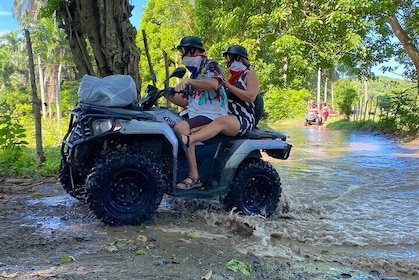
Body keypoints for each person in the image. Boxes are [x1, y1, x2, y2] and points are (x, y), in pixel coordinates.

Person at [176, 44, 260, 190]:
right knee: (184, 125)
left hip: (242, 117)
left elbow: (251, 96)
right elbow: (186, 101)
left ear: (240, 58)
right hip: (228, 114)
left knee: (220, 121)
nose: (229, 61)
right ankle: (193, 171)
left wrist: (228, 85)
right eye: (227, 58)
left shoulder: (249, 74)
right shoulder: (231, 77)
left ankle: (190, 141)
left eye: (231, 57)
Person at [164, 36, 228, 190]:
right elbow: (185, 102)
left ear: (193, 50)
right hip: (195, 113)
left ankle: (194, 176)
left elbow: (213, 84)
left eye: (184, 51)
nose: (183, 55)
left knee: (181, 128)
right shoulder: (194, 74)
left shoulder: (210, 65)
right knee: (165, 122)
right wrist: (167, 95)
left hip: (213, 115)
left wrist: (189, 82)